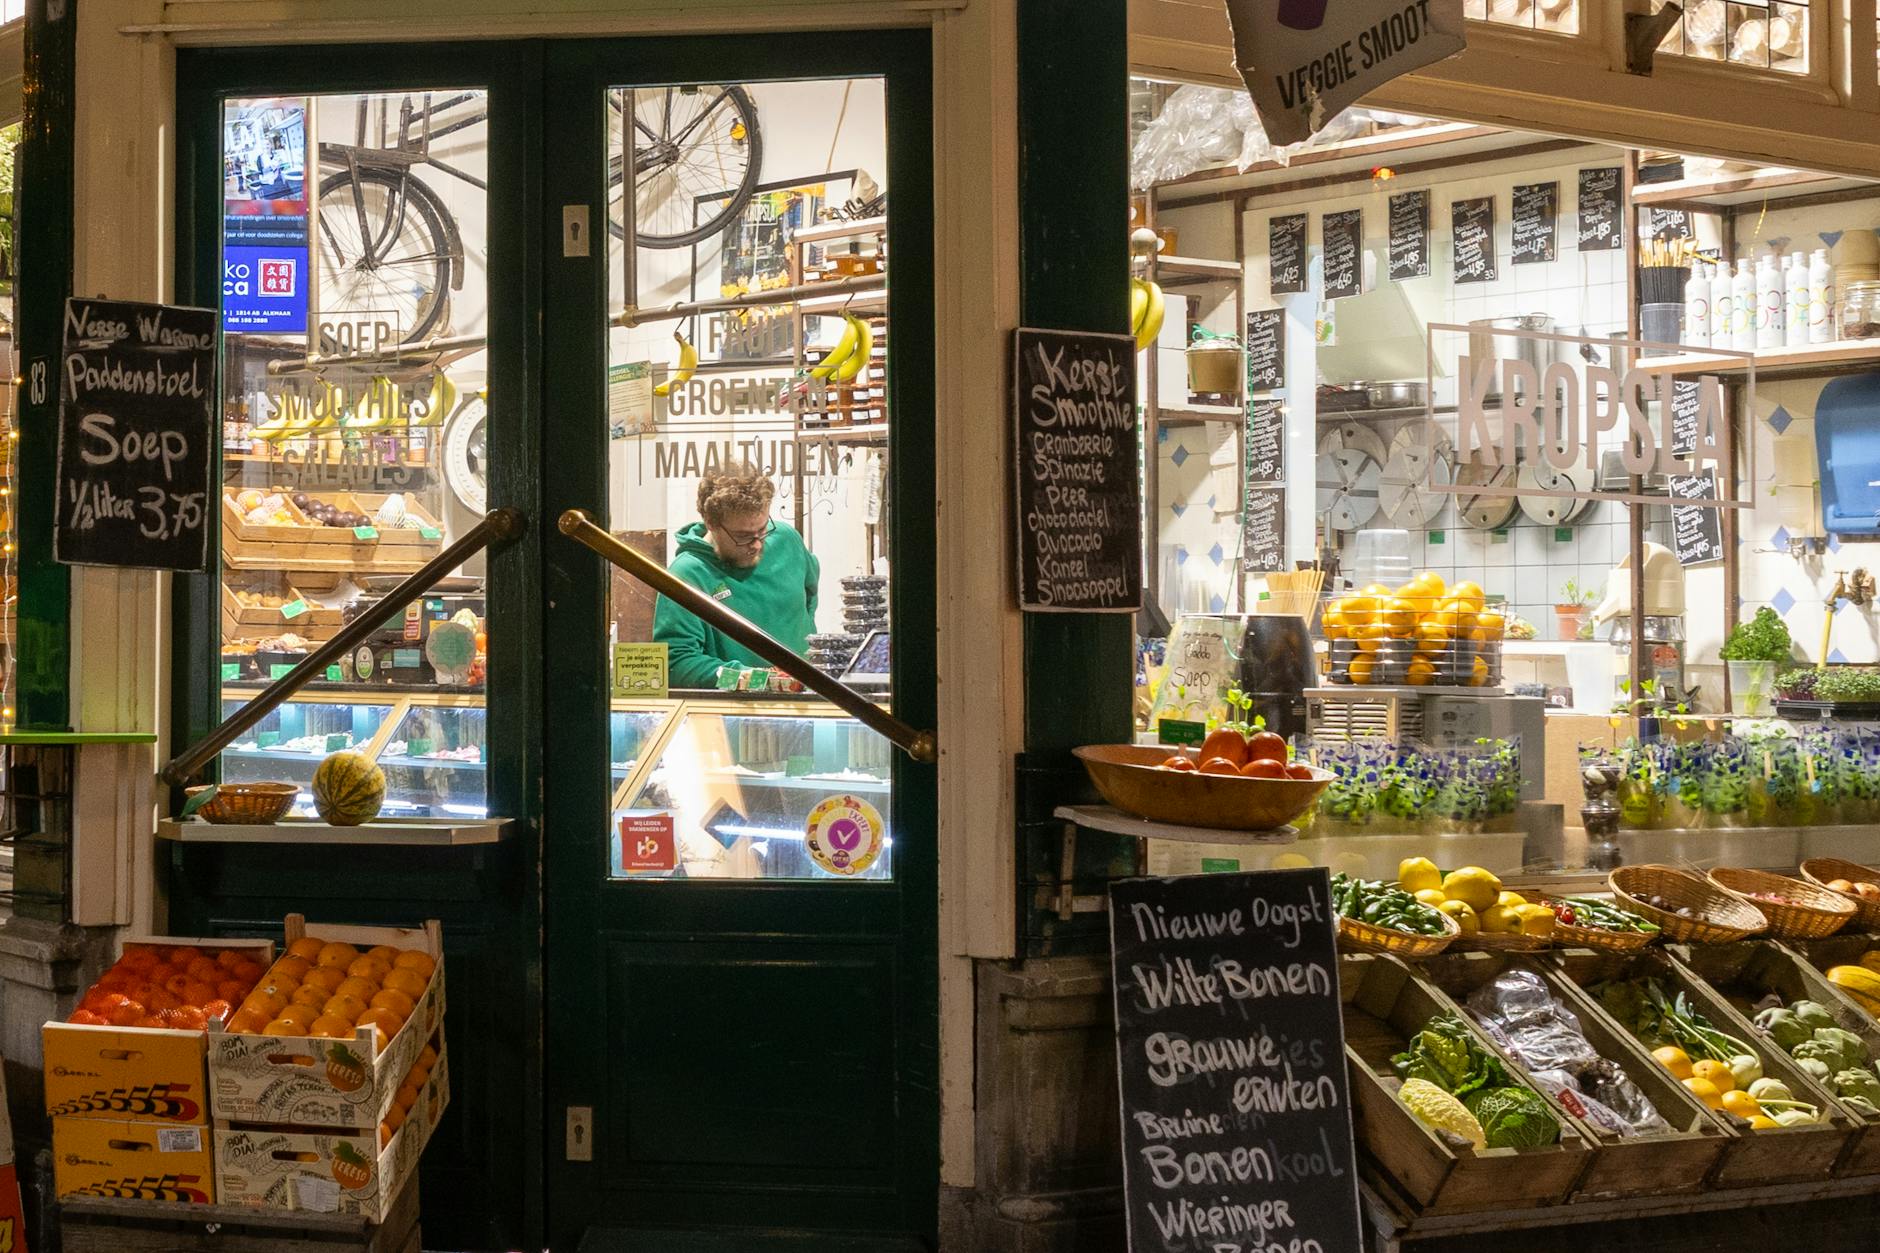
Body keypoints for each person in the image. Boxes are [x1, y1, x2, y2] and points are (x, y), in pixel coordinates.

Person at [654, 463, 821, 688]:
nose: (756, 544)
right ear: (711, 523)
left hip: (808, 697)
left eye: (762, 530)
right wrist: (750, 679)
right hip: (735, 710)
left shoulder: (786, 540)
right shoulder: (686, 575)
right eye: (743, 536)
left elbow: (809, 595)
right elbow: (677, 664)